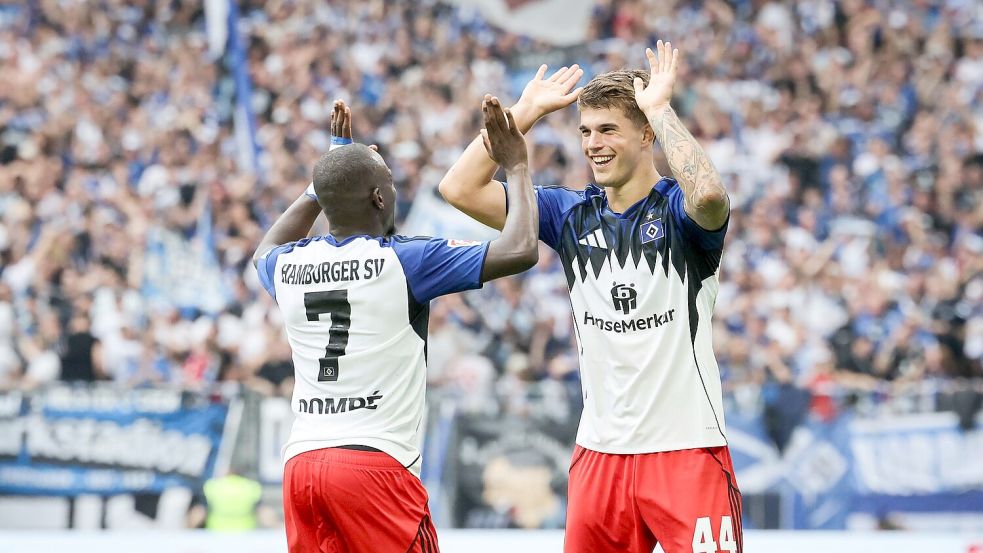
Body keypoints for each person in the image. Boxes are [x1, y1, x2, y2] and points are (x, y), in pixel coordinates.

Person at [439, 42, 742, 553]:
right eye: (585, 131)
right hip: (600, 453)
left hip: (687, 448)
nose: (593, 144)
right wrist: (526, 112)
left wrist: (660, 107)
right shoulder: (568, 214)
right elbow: (460, 188)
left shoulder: (679, 214)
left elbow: (710, 196)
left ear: (646, 134)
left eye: (608, 130)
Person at [253, 97, 538, 553]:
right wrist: (518, 167)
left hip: (302, 465)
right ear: (380, 198)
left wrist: (324, 181)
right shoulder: (405, 259)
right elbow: (521, 248)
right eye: (390, 182)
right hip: (374, 466)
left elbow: (265, 246)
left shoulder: (288, 264)